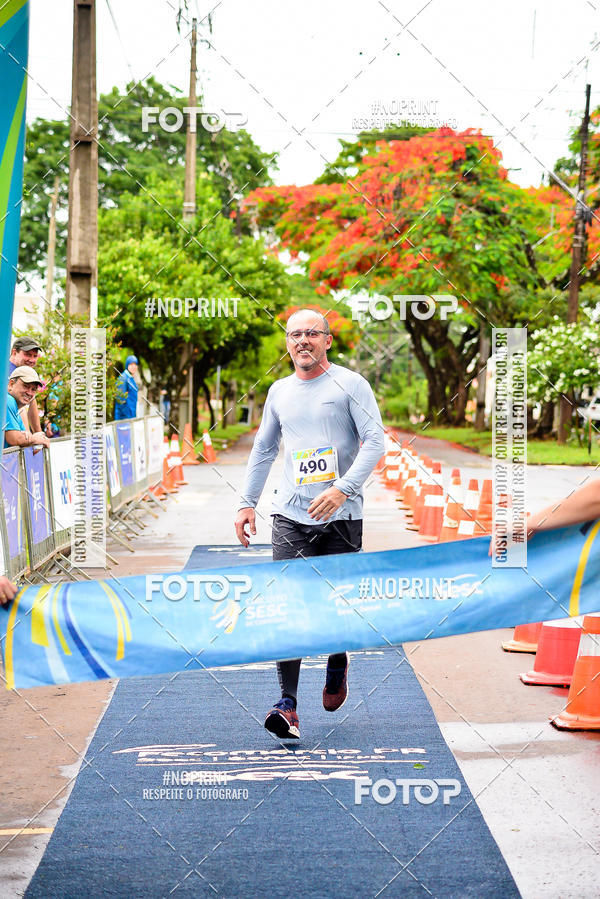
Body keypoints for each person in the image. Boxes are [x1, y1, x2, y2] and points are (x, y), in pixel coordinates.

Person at [234, 309, 384, 739]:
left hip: (341, 516)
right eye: (295, 334)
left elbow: (375, 442)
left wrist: (343, 489)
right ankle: (288, 705)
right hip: (290, 515)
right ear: (287, 342)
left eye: (312, 333)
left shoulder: (351, 385)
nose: (303, 340)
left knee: (334, 606)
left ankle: (337, 661)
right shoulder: (279, 391)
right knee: (290, 606)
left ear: (327, 341)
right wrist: (247, 504)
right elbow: (263, 449)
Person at [4, 367, 50, 449]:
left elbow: (25, 442)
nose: (29, 393)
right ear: (11, 384)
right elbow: (14, 439)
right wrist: (34, 439)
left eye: (33, 389)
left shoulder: (16, 409)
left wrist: (35, 439)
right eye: (25, 386)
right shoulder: (7, 400)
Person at [9, 336, 44, 434]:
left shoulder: (25, 371)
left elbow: (32, 401)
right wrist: (28, 434)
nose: (32, 360)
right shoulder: (8, 372)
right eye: (27, 355)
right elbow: (21, 407)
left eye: (35, 356)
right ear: (14, 353)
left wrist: (38, 434)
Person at [114, 355, 139, 420]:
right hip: (124, 417)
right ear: (127, 365)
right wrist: (126, 417)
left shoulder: (131, 378)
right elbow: (120, 400)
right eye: (131, 364)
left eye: (135, 364)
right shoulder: (123, 378)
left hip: (131, 414)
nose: (134, 366)